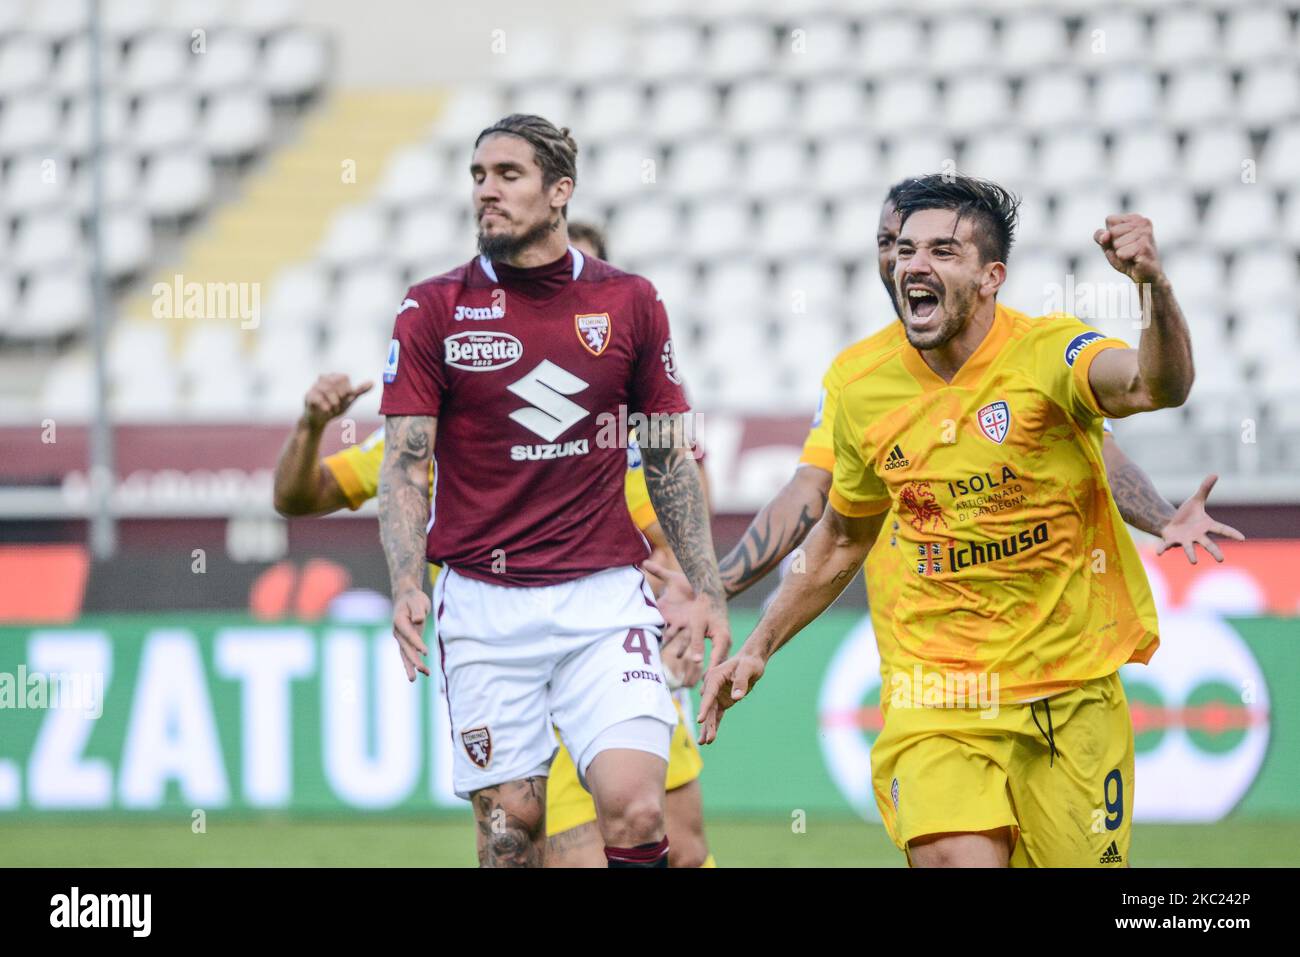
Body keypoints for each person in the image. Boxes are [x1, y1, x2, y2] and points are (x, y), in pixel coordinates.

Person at [698, 173, 1206, 867]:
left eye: (943, 250)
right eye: (906, 249)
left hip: (1069, 689)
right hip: (936, 691)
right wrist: (760, 642)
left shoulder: (1050, 354)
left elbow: (1157, 385)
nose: (915, 265)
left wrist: (1153, 286)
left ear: (991, 275)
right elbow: (844, 535)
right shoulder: (859, 382)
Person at [272, 224, 716, 869]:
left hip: (603, 648)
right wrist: (312, 426)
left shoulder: (602, 442)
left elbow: (669, 531)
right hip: (498, 638)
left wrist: (683, 599)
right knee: (533, 848)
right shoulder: (432, 436)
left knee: (680, 844)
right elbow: (299, 496)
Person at [377, 114, 727, 867]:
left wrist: (708, 588)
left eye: (508, 175)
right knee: (512, 835)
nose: (486, 192)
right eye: (477, 176)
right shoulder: (432, 308)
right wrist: (407, 582)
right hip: (480, 601)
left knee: (635, 805)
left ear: (560, 190)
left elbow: (667, 457)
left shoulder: (630, 300)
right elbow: (406, 462)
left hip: (601, 596)